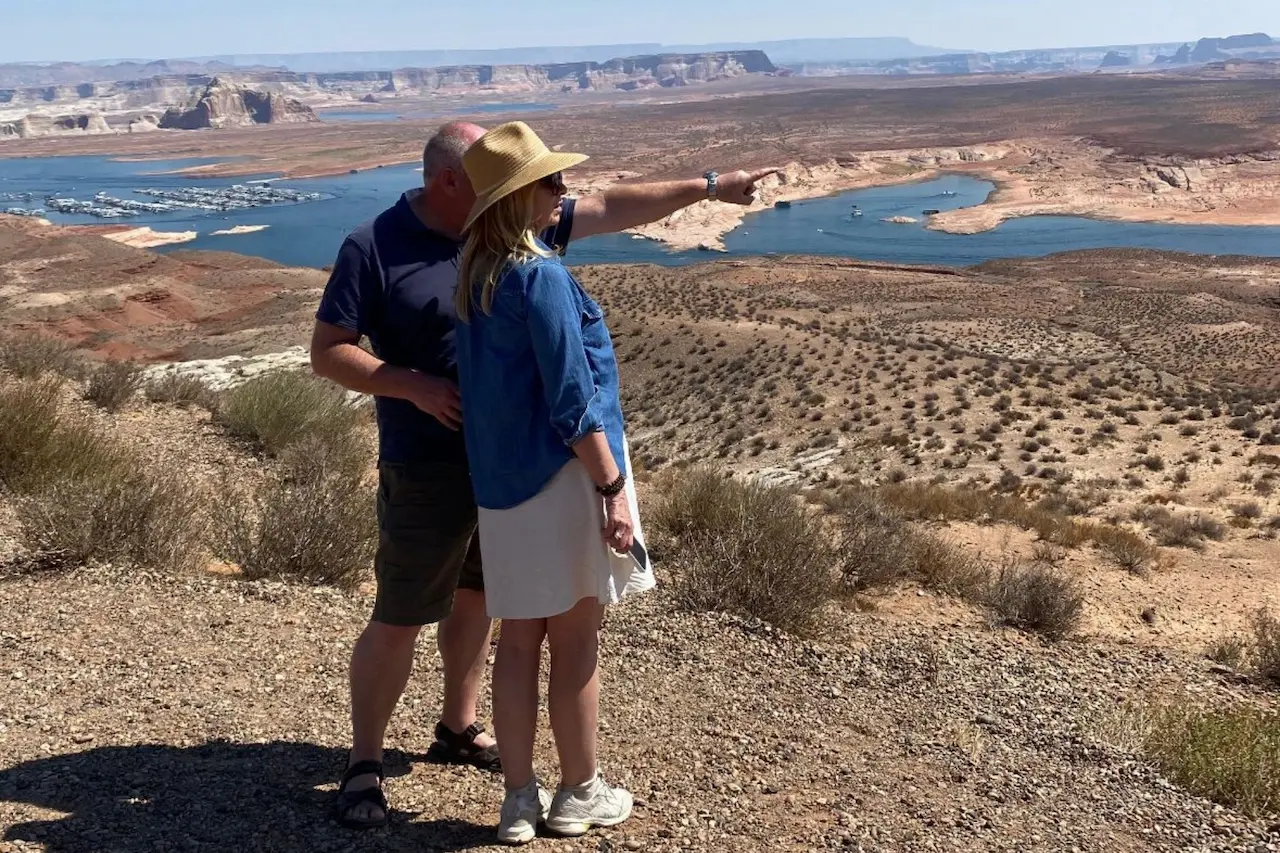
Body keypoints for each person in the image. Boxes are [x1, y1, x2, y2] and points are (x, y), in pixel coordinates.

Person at [309, 119, 778, 831]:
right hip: (444, 464)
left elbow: (616, 205)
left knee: (487, 609)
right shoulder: (383, 248)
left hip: (501, 469)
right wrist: (413, 385)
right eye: (547, 182)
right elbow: (328, 351)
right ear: (454, 183)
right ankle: (367, 764)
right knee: (407, 613)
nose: (564, 193)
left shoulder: (486, 252)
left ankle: (464, 733)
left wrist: (709, 185)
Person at [452, 120, 652, 844]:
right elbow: (573, 398)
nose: (563, 193)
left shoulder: (474, 279)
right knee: (576, 643)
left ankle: (516, 801)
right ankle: (577, 793)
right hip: (566, 480)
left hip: (502, 489)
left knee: (516, 643)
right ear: (518, 198)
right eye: (552, 183)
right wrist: (611, 489)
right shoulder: (540, 277)